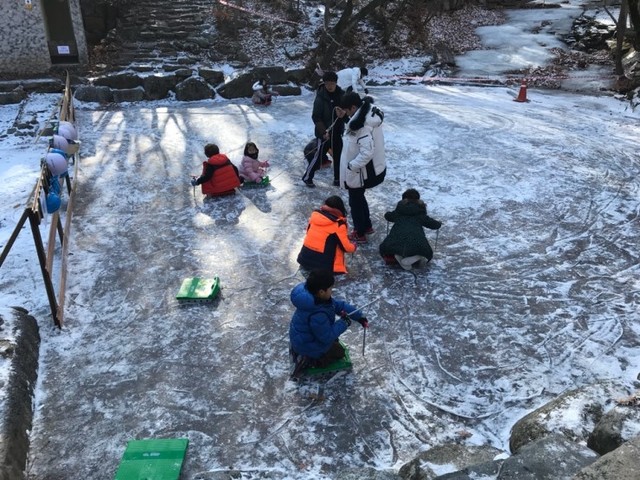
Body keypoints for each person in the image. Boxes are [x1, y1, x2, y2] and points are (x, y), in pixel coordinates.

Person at [289, 269, 368, 376]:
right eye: (330, 288)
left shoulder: (316, 299)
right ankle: (309, 360)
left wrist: (359, 317)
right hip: (307, 345)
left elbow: (339, 306)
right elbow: (326, 337)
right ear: (321, 291)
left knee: (334, 342)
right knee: (339, 352)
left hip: (304, 339)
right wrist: (343, 323)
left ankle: (308, 354)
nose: (332, 291)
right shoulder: (317, 314)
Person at [339, 92, 386, 244]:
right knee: (359, 197)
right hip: (371, 169)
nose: (346, 113)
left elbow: (367, 152)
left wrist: (352, 166)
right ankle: (366, 226)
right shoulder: (367, 112)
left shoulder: (362, 126)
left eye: (347, 110)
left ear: (353, 107)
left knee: (355, 201)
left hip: (362, 171)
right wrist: (346, 118)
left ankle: (359, 232)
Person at [302, 71, 347, 188]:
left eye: (332, 83)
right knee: (318, 157)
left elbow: (347, 113)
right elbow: (316, 117)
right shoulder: (320, 97)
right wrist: (323, 132)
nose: (330, 86)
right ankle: (307, 177)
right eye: (327, 83)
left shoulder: (342, 95)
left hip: (337, 132)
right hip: (324, 134)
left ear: (336, 83)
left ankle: (338, 179)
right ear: (324, 83)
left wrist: (344, 115)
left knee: (339, 157)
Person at [379, 188, 442, 269]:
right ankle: (415, 257)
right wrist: (439, 224)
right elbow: (434, 224)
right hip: (417, 243)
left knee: (386, 248)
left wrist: (387, 214)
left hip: (395, 242)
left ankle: (398, 255)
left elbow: (388, 216)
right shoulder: (420, 214)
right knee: (426, 252)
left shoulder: (399, 212)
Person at [297, 196, 357, 274]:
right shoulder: (338, 224)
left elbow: (309, 232)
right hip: (323, 267)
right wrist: (354, 246)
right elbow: (346, 247)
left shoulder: (314, 217)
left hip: (304, 259)